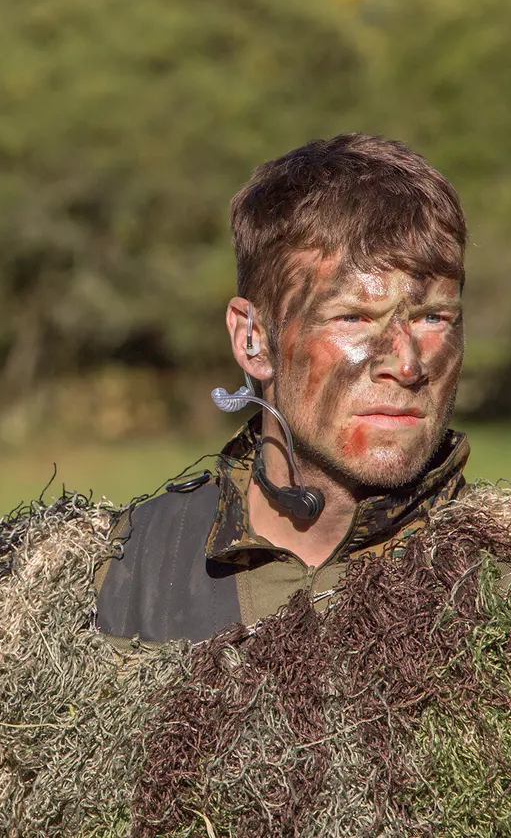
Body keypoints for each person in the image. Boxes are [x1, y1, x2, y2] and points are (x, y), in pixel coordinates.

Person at [97, 133, 471, 643]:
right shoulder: (124, 570)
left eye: (433, 317)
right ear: (253, 340)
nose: (406, 365)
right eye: (355, 317)